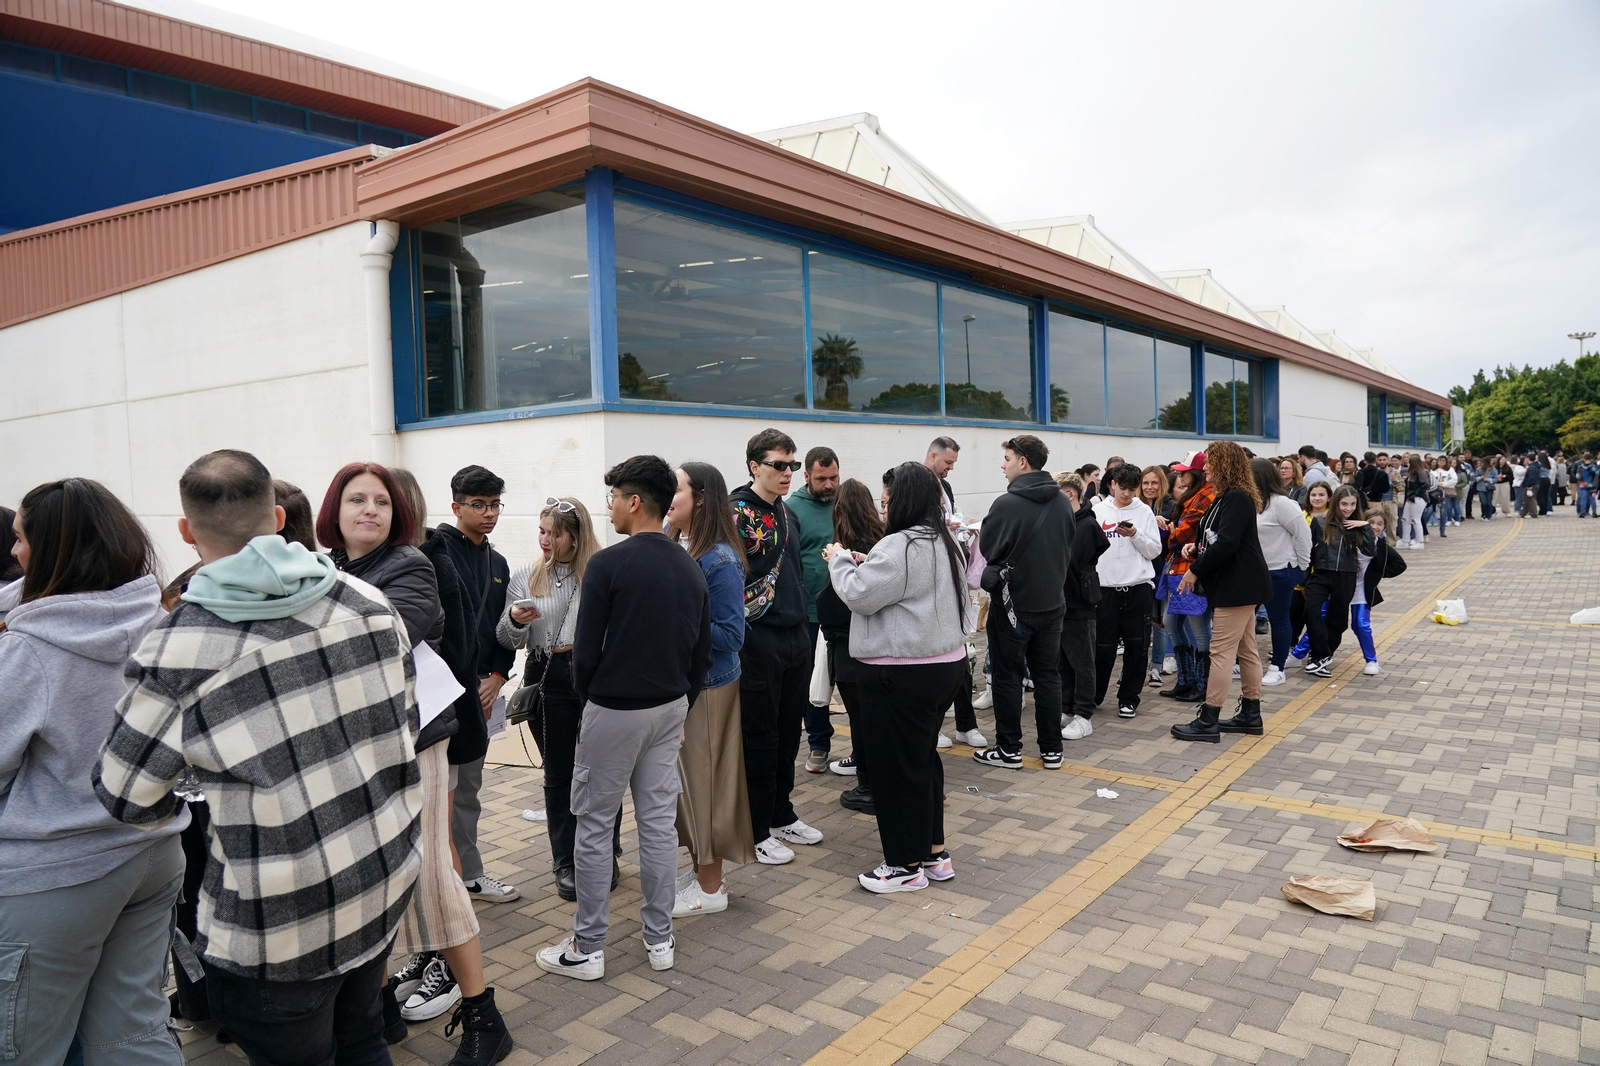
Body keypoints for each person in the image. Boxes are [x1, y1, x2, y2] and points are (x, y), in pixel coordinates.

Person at [96, 450, 423, 1066]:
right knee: (363, 1042)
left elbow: (123, 792)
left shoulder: (182, 644)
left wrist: (204, 780)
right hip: (381, 881)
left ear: (187, 533)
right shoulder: (365, 600)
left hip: (277, 929)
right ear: (276, 518)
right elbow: (400, 725)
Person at [0, 480, 182, 1066]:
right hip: (153, 851)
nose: (14, 552)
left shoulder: (29, 652)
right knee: (133, 1034)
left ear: (54, 549)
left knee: (27, 1047)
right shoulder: (161, 624)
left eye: (23, 537)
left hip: (58, 871)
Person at [536, 456, 711, 980]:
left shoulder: (608, 566)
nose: (609, 505)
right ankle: (660, 939)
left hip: (614, 709)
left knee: (592, 825)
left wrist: (595, 699)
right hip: (669, 707)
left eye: (613, 496)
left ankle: (588, 947)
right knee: (656, 825)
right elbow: (701, 653)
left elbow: (584, 656)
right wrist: (682, 705)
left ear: (634, 502)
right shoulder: (689, 564)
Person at [384, 469, 510, 1064]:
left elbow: (461, 641)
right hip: (400, 734)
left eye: (382, 502)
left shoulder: (431, 564)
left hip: (439, 722)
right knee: (410, 856)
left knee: (441, 847)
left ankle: (460, 981)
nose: (370, 511)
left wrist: (494, 679)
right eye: (355, 499)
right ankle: (414, 963)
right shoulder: (346, 567)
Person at [825, 463, 970, 892]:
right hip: (944, 667)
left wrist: (838, 562)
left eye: (886, 499)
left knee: (893, 769)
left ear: (901, 501)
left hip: (899, 673)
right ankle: (933, 853)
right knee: (922, 761)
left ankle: (904, 867)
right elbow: (901, 585)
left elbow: (858, 595)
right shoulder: (945, 541)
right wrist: (864, 562)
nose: (883, 507)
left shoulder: (900, 545)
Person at [498, 497, 619, 905]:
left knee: (603, 769)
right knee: (560, 772)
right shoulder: (527, 575)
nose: (546, 540)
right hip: (546, 674)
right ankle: (565, 861)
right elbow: (506, 638)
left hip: (596, 675)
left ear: (576, 534)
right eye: (542, 531)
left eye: (555, 532)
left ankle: (606, 853)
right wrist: (514, 622)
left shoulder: (600, 570)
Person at [664, 462, 758, 916]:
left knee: (706, 787)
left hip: (710, 689)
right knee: (690, 786)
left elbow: (732, 635)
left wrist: (675, 628)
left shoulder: (718, 559)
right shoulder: (689, 548)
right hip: (695, 686)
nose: (668, 495)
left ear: (699, 497)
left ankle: (711, 888)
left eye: (675, 488)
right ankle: (703, 872)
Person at [733, 429, 825, 864]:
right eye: (779, 465)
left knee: (790, 729)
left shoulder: (788, 513)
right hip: (757, 637)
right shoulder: (735, 513)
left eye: (792, 465)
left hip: (796, 632)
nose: (788, 473)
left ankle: (780, 812)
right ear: (755, 466)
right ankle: (754, 827)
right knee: (759, 733)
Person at [432, 466, 519, 904]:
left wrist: (498, 676)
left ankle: (467, 874)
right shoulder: (433, 551)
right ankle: (443, 875)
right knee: (435, 789)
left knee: (467, 789)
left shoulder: (498, 563)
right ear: (456, 507)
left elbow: (504, 629)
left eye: (495, 505)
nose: (489, 514)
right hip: (440, 692)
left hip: (482, 693)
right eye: (478, 505)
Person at [974, 434, 1073, 769]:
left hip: (1012, 606)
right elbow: (1067, 547)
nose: (1003, 465)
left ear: (1023, 462)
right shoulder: (1062, 502)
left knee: (1007, 676)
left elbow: (988, 548)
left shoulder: (1007, 503)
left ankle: (1009, 750)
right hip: (1052, 605)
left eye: (1007, 459)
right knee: (1047, 676)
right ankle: (1051, 750)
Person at [1171, 441, 1272, 743]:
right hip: (1238, 584)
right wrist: (1196, 548)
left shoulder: (1236, 498)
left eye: (1211, 463)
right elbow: (1218, 538)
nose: (1205, 468)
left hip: (1237, 586)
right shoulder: (1226, 497)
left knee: (1221, 653)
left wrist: (1195, 569)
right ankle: (1250, 714)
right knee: (1246, 650)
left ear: (1226, 465)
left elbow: (1227, 544)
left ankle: (1208, 718)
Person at [816, 479, 886, 811]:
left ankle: (868, 786)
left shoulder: (843, 551)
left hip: (848, 647)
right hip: (878, 646)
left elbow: (833, 602)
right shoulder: (884, 543)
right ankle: (879, 781)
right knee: (876, 719)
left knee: (859, 721)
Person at [1091, 465, 1163, 718]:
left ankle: (1129, 698)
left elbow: (1154, 551)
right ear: (1112, 484)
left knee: (1137, 648)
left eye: (1133, 489)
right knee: (1102, 647)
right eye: (1123, 488)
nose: (1127, 494)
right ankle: (1094, 695)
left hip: (1137, 589)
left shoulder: (1144, 511)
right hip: (1105, 590)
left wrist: (1135, 534)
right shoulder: (1097, 511)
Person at [787, 446, 839, 772]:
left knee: (846, 679)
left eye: (834, 477)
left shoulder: (845, 503)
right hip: (806, 614)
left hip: (845, 610)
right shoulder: (791, 509)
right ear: (806, 476)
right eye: (822, 479)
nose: (829, 485)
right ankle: (818, 744)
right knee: (812, 683)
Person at [1054, 471, 1109, 741]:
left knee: (1082, 660)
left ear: (1070, 494)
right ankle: (1067, 708)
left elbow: (1074, 560)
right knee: (1063, 660)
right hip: (1061, 602)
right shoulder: (1066, 522)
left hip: (1079, 602)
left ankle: (1084, 714)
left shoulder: (1086, 525)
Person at [1301, 485, 1376, 677]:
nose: (1348, 508)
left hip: (1346, 575)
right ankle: (1322, 655)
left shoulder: (1358, 526)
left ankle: (1320, 660)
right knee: (1311, 611)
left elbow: (1369, 551)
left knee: (1338, 620)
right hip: (1321, 573)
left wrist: (1366, 527)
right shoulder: (1319, 521)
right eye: (1344, 504)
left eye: (1352, 504)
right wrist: (1305, 580)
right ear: (1336, 502)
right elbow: (1309, 551)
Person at [1157, 452, 1215, 704]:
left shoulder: (1205, 496)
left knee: (1199, 631)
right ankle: (1186, 681)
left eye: (1183, 472)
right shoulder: (1197, 495)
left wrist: (1169, 531)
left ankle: (1202, 685)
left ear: (1197, 473)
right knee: (1171, 622)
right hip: (1180, 569)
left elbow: (1179, 535)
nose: (1179, 476)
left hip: (1193, 570)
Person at [1251, 458, 1311, 688]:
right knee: (1246, 620)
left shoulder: (1283, 504)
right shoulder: (1250, 502)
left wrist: (1301, 568)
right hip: (1254, 573)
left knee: (1279, 620)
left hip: (1280, 572)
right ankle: (1241, 662)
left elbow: (1303, 536)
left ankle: (1278, 667)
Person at [1140, 466, 1177, 684]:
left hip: (1162, 570)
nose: (1149, 487)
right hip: (1139, 572)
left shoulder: (1171, 507)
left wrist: (1168, 526)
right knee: (1140, 623)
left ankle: (1156, 666)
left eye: (1154, 483)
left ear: (1162, 484)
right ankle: (1133, 668)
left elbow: (1176, 536)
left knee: (1159, 622)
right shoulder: (1134, 507)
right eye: (1145, 483)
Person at [924, 436, 962, 522]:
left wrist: (964, 522)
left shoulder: (945, 486)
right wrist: (942, 526)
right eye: (948, 462)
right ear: (933, 456)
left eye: (953, 463)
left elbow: (951, 513)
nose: (952, 467)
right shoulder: (914, 485)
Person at [1398, 456, 1430, 548]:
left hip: (1418, 499)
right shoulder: (1413, 473)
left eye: (1409, 462)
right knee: (1405, 519)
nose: (1407, 464)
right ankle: (1405, 540)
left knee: (1415, 519)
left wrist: (1415, 494)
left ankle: (1420, 541)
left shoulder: (1418, 473)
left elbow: (1425, 484)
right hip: (1411, 498)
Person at [1576, 452, 1598, 518]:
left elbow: (1577, 476)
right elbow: (1596, 473)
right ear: (1591, 459)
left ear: (1583, 459)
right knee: (1592, 499)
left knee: (1583, 499)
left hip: (1582, 484)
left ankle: (1582, 513)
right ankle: (1594, 513)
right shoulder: (1593, 466)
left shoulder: (1580, 467)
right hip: (1591, 484)